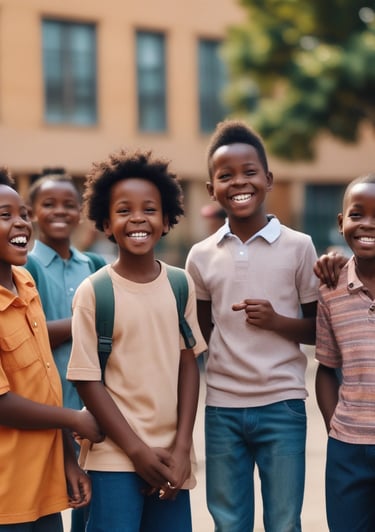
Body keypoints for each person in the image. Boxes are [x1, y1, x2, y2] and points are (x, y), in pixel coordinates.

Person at [185, 119, 319, 532]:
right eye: (225, 176)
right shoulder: (200, 255)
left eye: (249, 172)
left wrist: (278, 322)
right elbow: (202, 335)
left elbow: (317, 330)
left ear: (268, 179)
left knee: (283, 522)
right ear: (211, 189)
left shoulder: (299, 246)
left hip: (283, 404)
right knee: (228, 523)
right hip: (222, 408)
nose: (238, 182)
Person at [66, 149, 207, 532]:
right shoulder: (94, 292)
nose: (138, 218)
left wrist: (181, 450)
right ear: (106, 223)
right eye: (124, 210)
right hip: (113, 457)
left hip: (169, 460)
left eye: (150, 209)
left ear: (166, 220)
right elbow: (85, 379)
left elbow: (188, 364)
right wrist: (136, 451)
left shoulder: (180, 284)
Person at [0, 167, 103, 531]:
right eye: (4, 216)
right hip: (6, 493)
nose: (20, 224)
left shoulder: (24, 281)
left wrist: (67, 462)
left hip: (44, 486)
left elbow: (46, 385)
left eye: (21, 215)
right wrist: (73, 419)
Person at [315, 173, 375, 531]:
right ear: (341, 223)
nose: (368, 224)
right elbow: (326, 367)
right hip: (347, 450)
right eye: (357, 214)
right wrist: (333, 426)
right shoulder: (330, 288)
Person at [25, 170, 106, 412]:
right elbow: (28, 337)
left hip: (94, 402)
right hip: (47, 402)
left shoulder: (95, 265)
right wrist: (85, 321)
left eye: (69, 205)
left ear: (80, 214)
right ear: (31, 213)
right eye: (49, 204)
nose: (59, 211)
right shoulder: (25, 267)